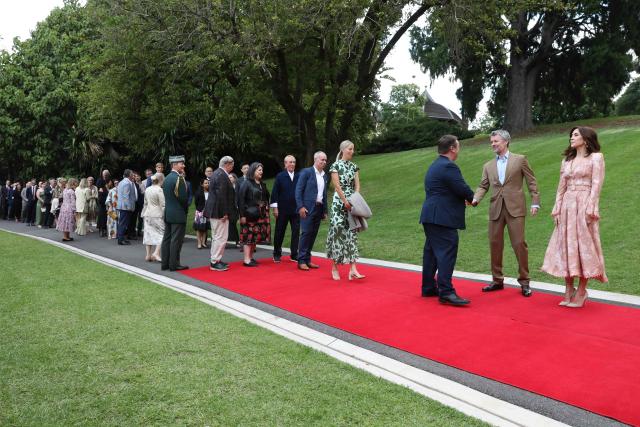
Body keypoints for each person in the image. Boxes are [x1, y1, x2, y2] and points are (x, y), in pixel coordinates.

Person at [542, 126, 607, 308]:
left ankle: (581, 291)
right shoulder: (567, 161)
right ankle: (568, 289)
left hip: (584, 204)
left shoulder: (596, 158)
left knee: (583, 248)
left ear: (586, 139)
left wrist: (590, 208)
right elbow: (561, 187)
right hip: (567, 207)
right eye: (571, 135)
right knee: (566, 246)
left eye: (576, 135)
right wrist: (557, 209)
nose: (572, 137)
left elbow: (597, 184)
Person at [472, 129, 539, 297]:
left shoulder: (520, 160)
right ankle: (497, 280)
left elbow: (531, 181)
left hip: (515, 208)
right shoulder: (488, 165)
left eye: (496, 141)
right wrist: (475, 199)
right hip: (495, 209)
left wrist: (535, 202)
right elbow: (483, 186)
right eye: (492, 142)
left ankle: (524, 281)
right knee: (495, 244)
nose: (493, 144)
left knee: (519, 244)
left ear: (506, 142)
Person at [420, 135, 475, 306]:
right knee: (446, 253)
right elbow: (462, 188)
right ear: (452, 148)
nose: (459, 149)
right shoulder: (449, 167)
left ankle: (429, 287)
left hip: (431, 215)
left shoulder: (435, 165)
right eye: (458, 146)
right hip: (442, 218)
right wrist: (473, 198)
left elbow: (446, 189)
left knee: (431, 253)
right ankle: (446, 292)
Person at [326, 141, 366, 281]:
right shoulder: (335, 166)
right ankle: (335, 267)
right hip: (339, 203)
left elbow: (357, 185)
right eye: (350, 149)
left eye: (353, 149)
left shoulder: (354, 167)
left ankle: (353, 269)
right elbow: (337, 186)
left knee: (352, 233)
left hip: (351, 203)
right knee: (337, 231)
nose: (352, 151)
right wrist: (345, 201)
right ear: (343, 150)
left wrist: (354, 200)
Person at [295, 151, 328, 271]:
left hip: (319, 208)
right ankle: (301, 260)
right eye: (322, 160)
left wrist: (325, 211)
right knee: (306, 233)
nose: (324, 162)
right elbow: (298, 190)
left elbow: (323, 194)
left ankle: (308, 259)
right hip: (307, 208)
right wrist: (300, 207)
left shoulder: (324, 175)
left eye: (325, 160)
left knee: (313, 234)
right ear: (315, 159)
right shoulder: (306, 172)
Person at [204, 156, 237, 271]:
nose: (232, 167)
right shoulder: (221, 175)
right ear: (227, 164)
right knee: (220, 237)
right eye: (232, 165)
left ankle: (216, 259)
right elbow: (221, 196)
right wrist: (224, 212)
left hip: (216, 210)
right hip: (219, 211)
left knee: (217, 236)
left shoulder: (217, 174)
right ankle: (215, 261)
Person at [237, 162, 270, 267]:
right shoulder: (246, 183)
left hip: (261, 214)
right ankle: (246, 260)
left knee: (255, 236)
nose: (261, 172)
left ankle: (250, 257)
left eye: (262, 170)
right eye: (259, 170)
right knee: (248, 237)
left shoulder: (262, 183)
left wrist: (266, 205)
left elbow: (265, 197)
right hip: (249, 214)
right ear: (253, 171)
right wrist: (242, 215)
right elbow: (240, 200)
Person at [161, 155, 189, 271]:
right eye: (181, 163)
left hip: (168, 213)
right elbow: (183, 198)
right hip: (178, 213)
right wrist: (185, 211)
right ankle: (174, 264)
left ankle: (165, 264)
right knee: (176, 240)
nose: (183, 165)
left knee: (167, 239)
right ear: (174, 165)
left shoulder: (167, 178)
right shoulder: (179, 178)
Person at [270, 155, 300, 263]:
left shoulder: (298, 176)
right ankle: (277, 253)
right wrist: (275, 208)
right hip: (282, 210)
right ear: (285, 164)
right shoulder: (280, 176)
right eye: (289, 162)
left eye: (293, 162)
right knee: (279, 231)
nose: (291, 164)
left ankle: (294, 254)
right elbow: (275, 193)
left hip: (296, 210)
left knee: (296, 232)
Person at [141, 173, 165, 262]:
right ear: (161, 180)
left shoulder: (147, 189)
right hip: (157, 214)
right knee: (162, 233)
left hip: (147, 214)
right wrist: (164, 215)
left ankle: (148, 255)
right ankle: (156, 252)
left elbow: (145, 203)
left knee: (148, 233)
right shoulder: (159, 190)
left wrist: (143, 213)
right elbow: (163, 205)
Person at [116, 169, 137, 245]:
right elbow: (125, 196)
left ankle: (121, 237)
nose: (133, 175)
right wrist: (129, 207)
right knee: (123, 223)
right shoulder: (126, 183)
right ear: (129, 175)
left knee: (123, 222)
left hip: (123, 206)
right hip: (125, 207)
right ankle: (121, 239)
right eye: (132, 173)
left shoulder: (122, 182)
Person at [193, 178, 211, 249]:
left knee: (205, 228)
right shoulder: (198, 192)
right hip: (200, 212)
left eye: (208, 183)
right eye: (205, 183)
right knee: (199, 228)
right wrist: (200, 209)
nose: (207, 184)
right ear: (202, 184)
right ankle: (199, 243)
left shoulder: (210, 192)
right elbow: (196, 202)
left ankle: (203, 242)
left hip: (208, 212)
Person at [96, 170, 112, 237]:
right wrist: (107, 187)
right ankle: (101, 229)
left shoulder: (110, 180)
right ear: (102, 175)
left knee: (107, 215)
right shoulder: (100, 180)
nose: (105, 176)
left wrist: (107, 188)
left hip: (109, 200)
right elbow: (100, 190)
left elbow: (110, 190)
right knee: (101, 215)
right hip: (102, 200)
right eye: (104, 175)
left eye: (106, 175)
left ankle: (106, 228)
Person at [227, 173, 240, 247]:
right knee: (231, 224)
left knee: (234, 224)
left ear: (234, 178)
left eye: (231, 177)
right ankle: (235, 240)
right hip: (230, 209)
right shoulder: (227, 187)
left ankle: (237, 240)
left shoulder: (238, 186)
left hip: (237, 208)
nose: (229, 179)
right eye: (228, 178)